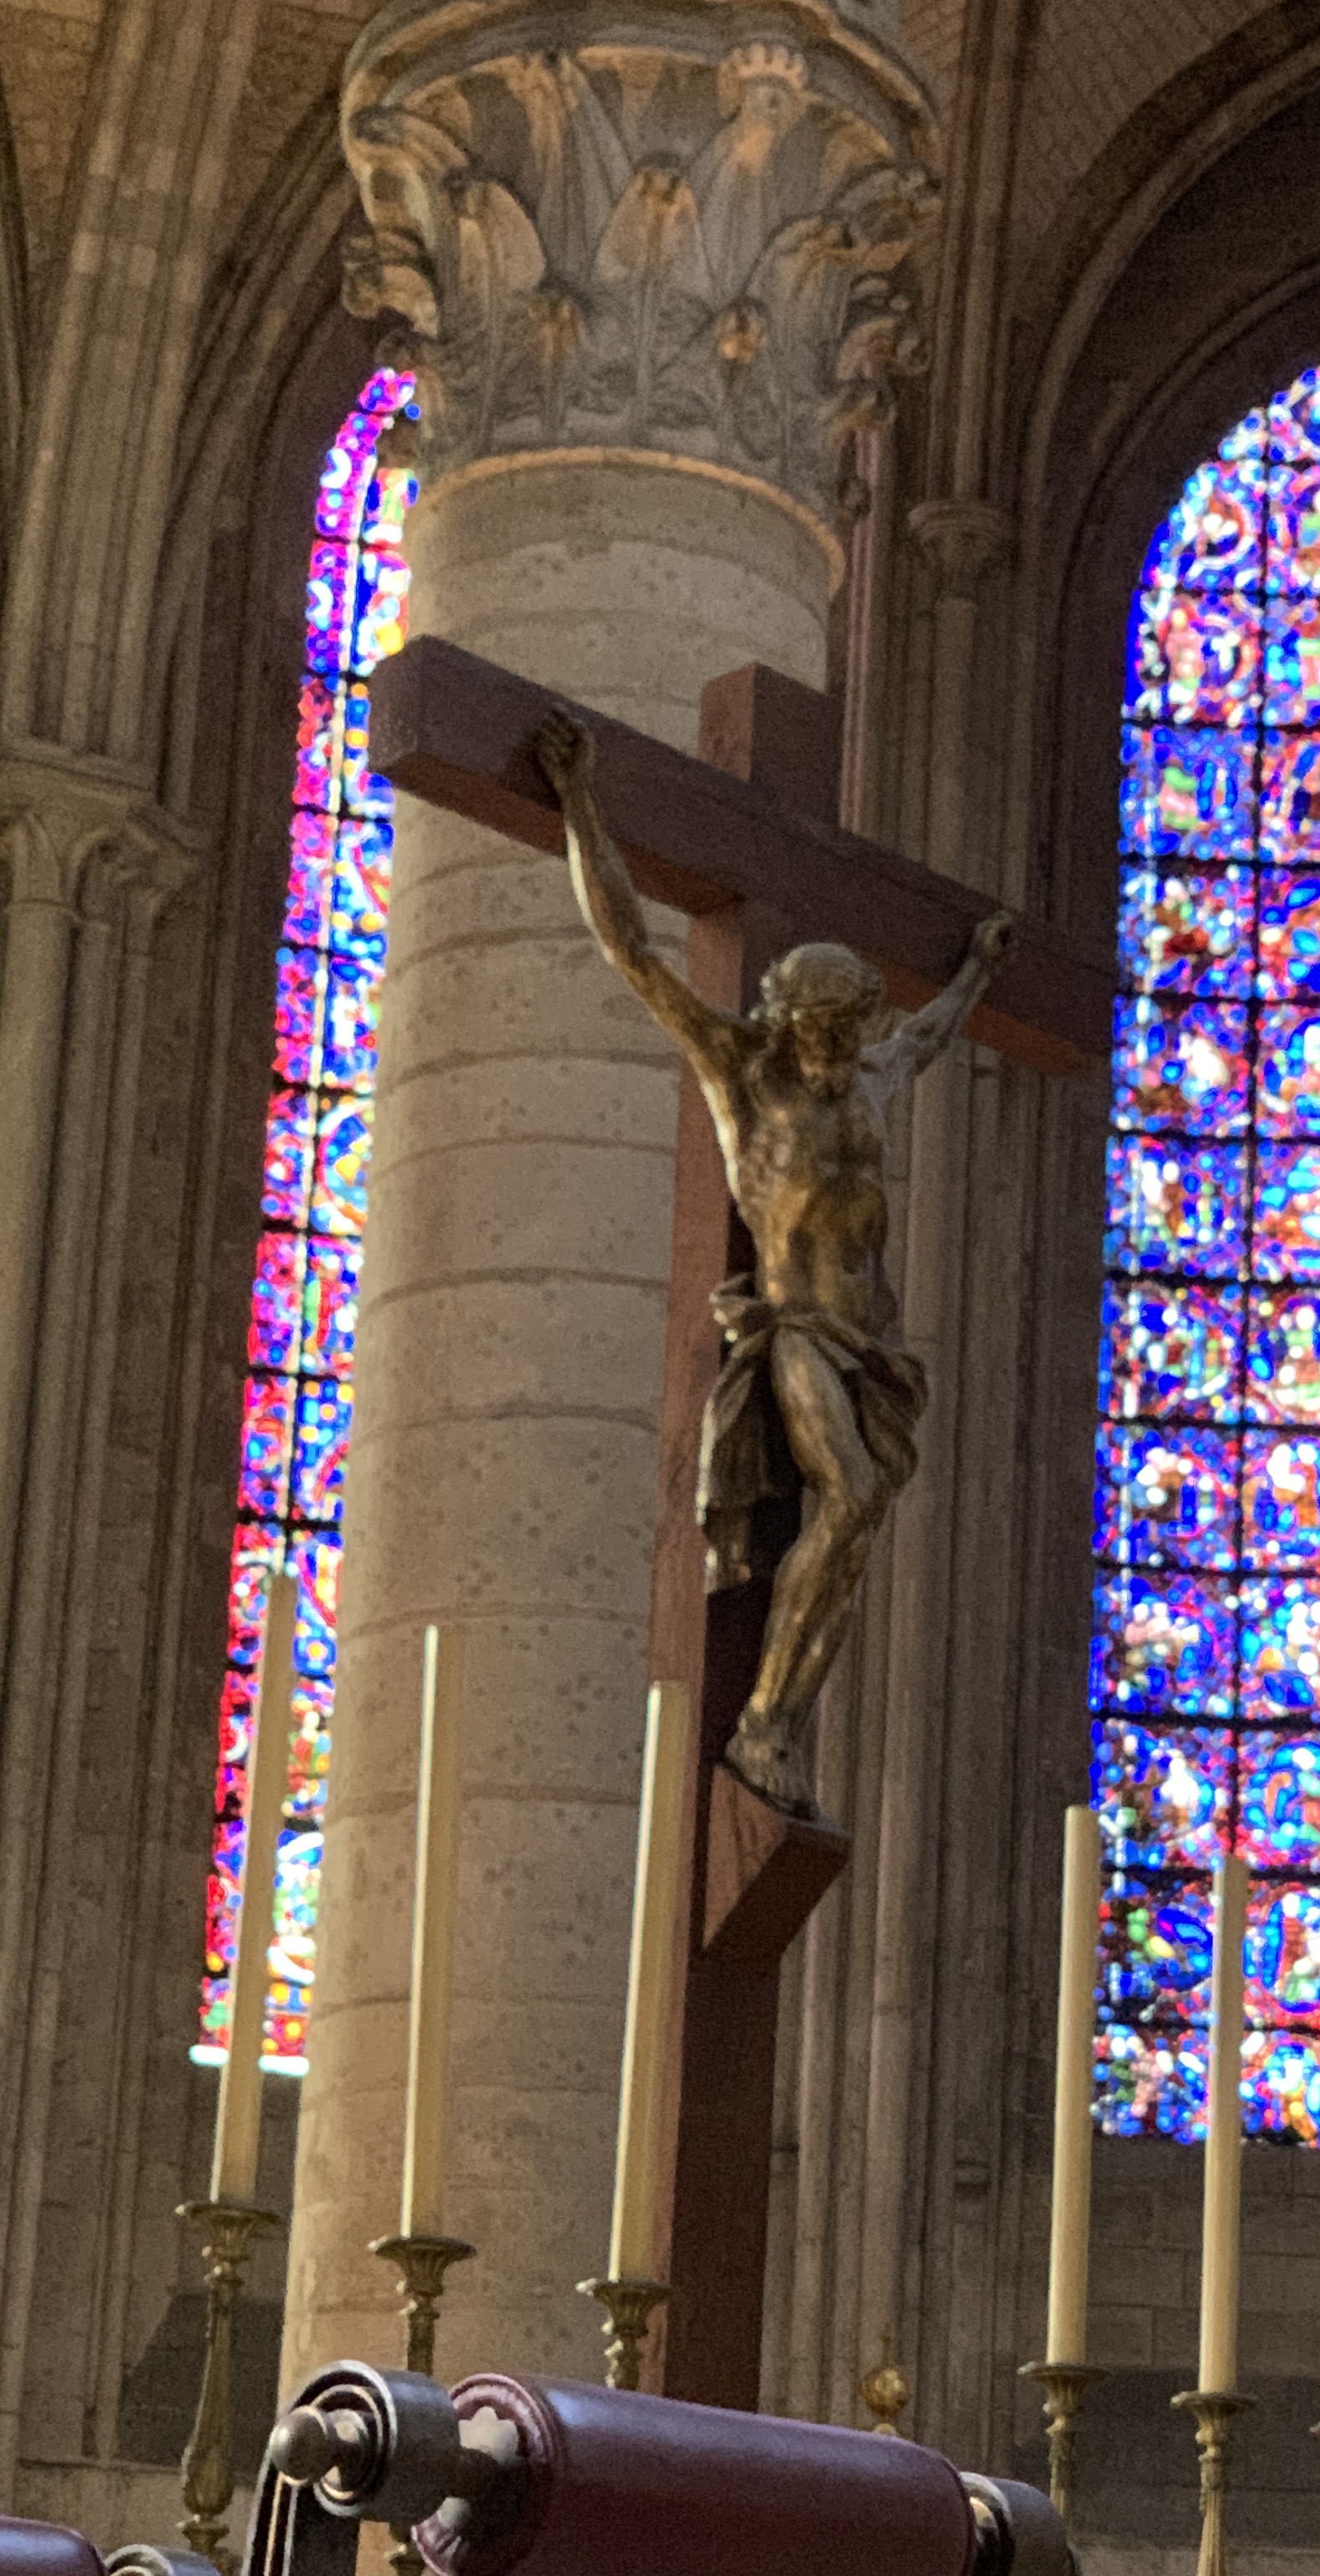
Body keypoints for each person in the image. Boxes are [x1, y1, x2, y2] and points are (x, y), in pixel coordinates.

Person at [537, 705, 1013, 1814]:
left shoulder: (876, 1075)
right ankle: (761, 1726)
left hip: (870, 1345)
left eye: (852, 1029)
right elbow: (631, 950)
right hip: (793, 1332)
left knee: (856, 1529)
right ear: (791, 1020)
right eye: (825, 1030)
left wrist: (977, 975)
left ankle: (781, 1724)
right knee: (846, 1501)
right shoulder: (744, 1077)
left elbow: (932, 1032)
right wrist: (579, 805)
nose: (842, 1047)